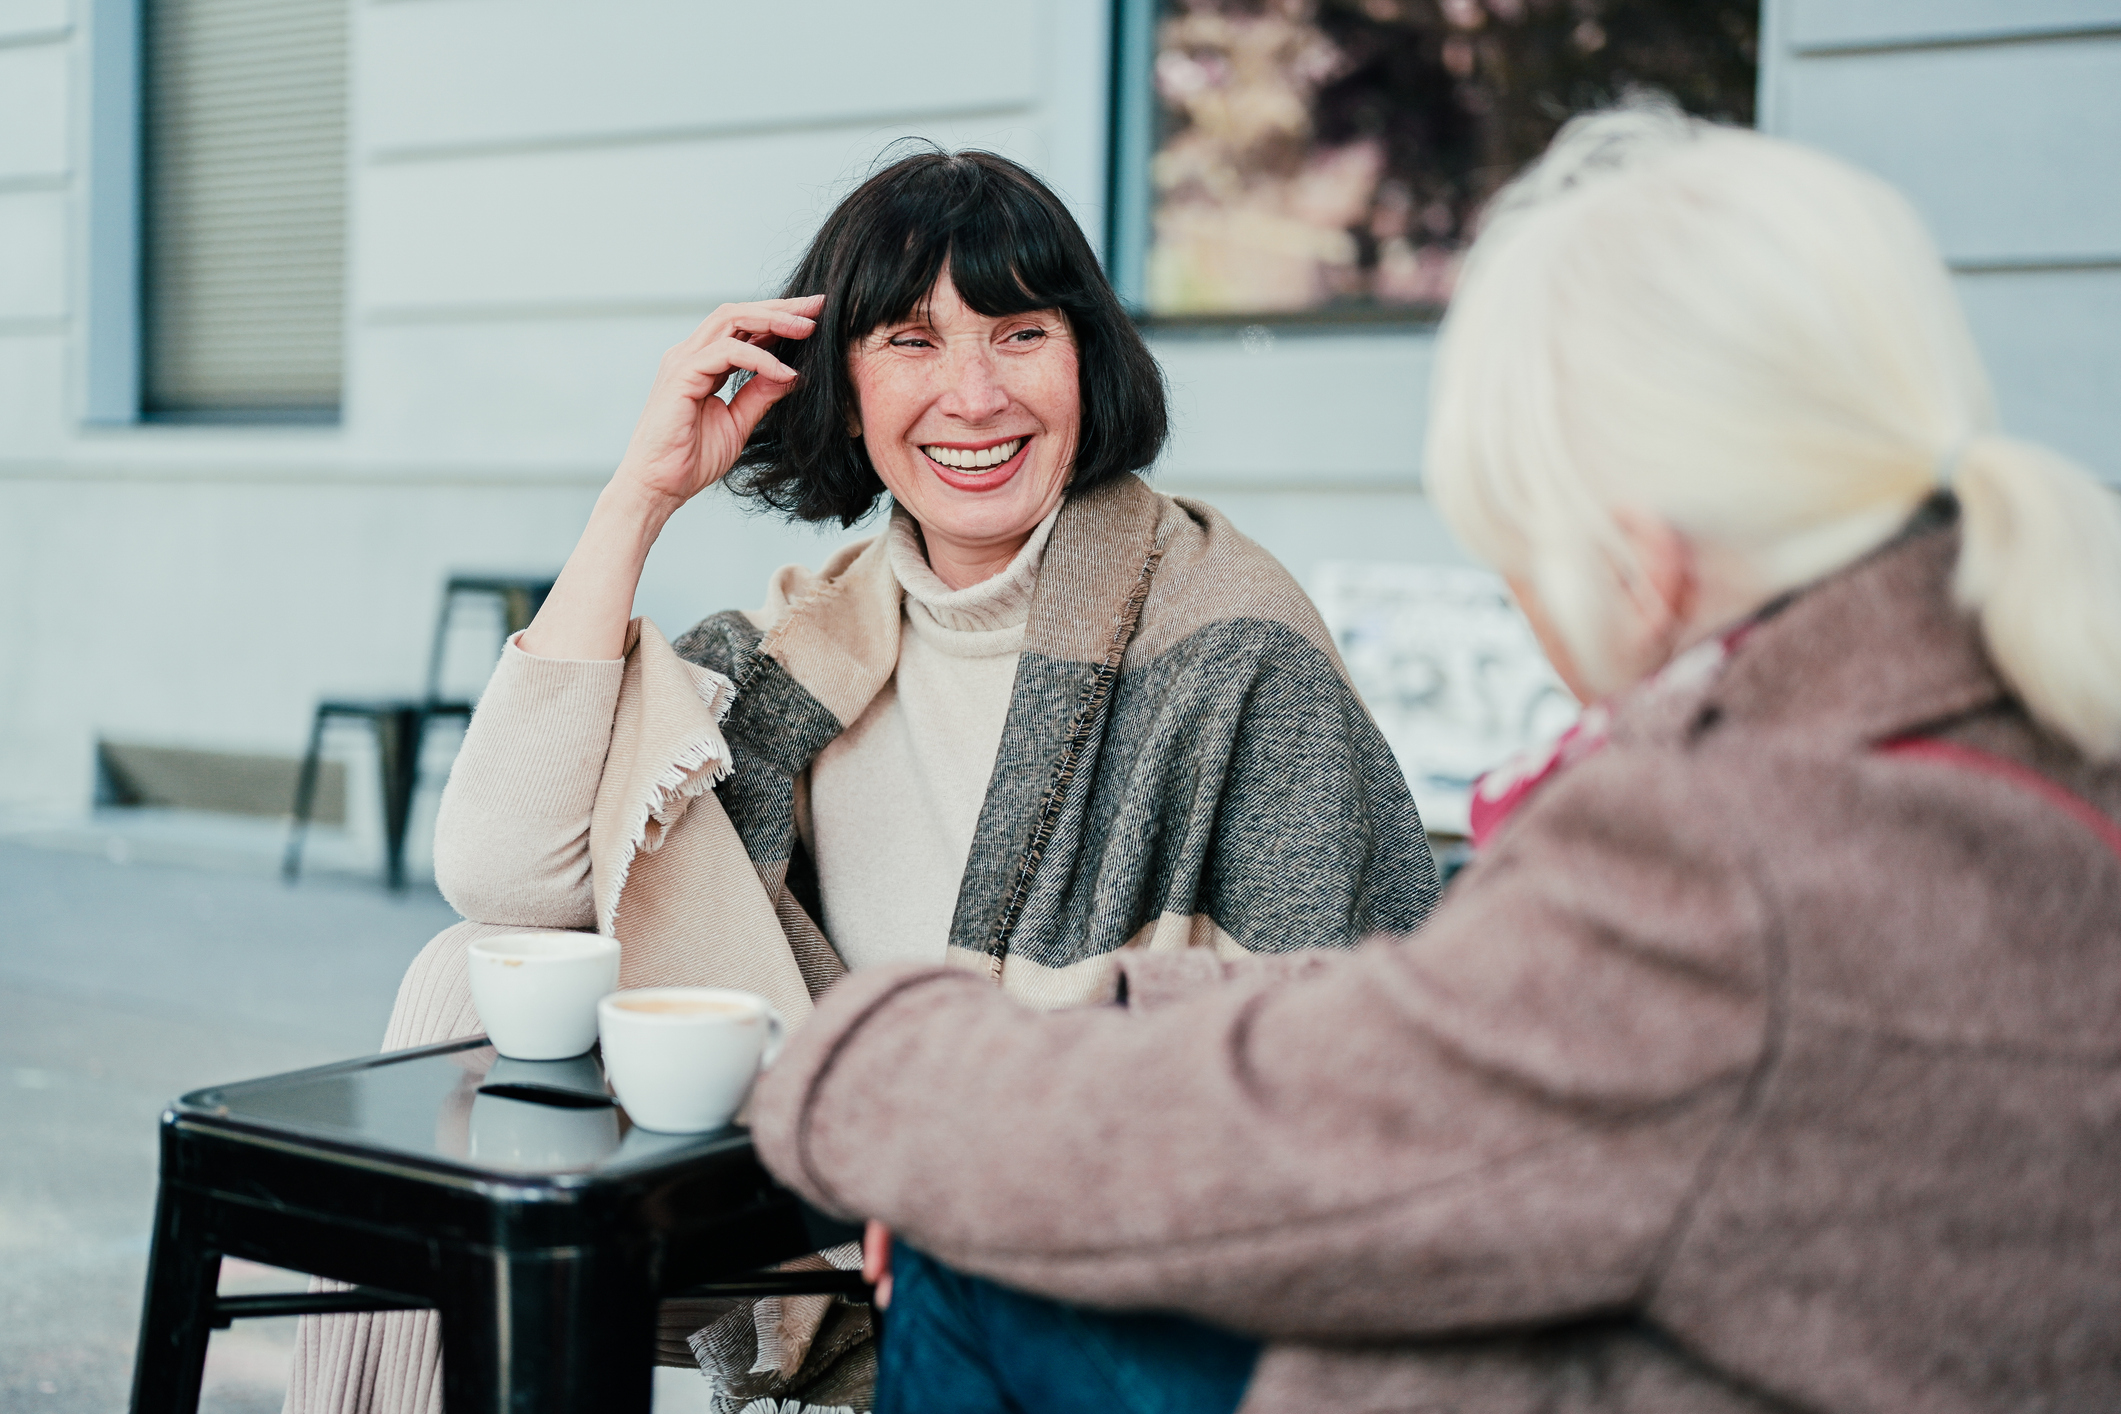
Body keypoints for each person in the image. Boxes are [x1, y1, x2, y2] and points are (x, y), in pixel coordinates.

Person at [745, 106, 2121, 1414]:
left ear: (1639, 562)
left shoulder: (1725, 841)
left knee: (976, 1244)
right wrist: (1113, 1013)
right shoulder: (2015, 715)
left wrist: (885, 1062)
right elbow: (1447, 1035)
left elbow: (1312, 1147)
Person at [283, 150, 1439, 1414]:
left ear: (1085, 360)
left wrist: (949, 1117)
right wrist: (639, 498)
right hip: (831, 1212)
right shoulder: (807, 647)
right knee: (466, 979)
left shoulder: (1229, 642)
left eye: (1020, 333)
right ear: (840, 395)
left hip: (1086, 1260)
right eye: (911, 340)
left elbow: (1333, 1034)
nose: (974, 393)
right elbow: (501, 873)